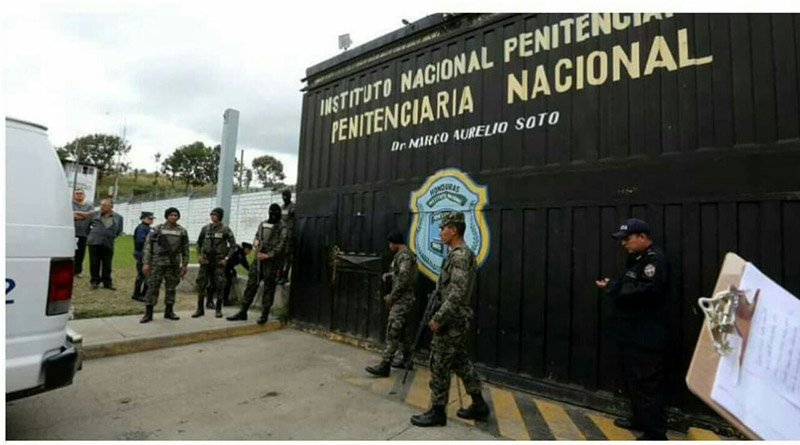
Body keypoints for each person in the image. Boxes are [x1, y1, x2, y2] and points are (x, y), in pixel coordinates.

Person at [410, 211, 489, 427]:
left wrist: (438, 318)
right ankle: (479, 404)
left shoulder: (460, 256)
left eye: (442, 228)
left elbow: (456, 292)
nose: (440, 232)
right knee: (459, 361)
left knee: (439, 363)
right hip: (454, 318)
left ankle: (437, 411)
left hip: (451, 320)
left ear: (453, 230)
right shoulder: (457, 254)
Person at [595, 218, 670, 441]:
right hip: (632, 333)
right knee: (634, 382)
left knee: (647, 384)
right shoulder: (636, 259)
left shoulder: (654, 260)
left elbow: (646, 292)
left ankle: (655, 433)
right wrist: (616, 285)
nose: (623, 244)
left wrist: (612, 287)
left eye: (627, 239)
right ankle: (640, 419)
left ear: (642, 237)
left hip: (647, 335)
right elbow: (631, 285)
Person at [365, 230, 417, 377]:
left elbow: (404, 278)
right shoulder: (403, 255)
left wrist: (392, 296)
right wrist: (390, 274)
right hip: (404, 299)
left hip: (402, 300)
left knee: (393, 331)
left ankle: (385, 365)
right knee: (403, 331)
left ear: (395, 243)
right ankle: (407, 360)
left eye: (390, 243)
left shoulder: (404, 256)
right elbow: (401, 274)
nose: (389, 246)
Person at [227, 204, 288, 324]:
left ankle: (264, 313)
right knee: (251, 285)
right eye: (271, 212)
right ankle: (243, 311)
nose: (272, 215)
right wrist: (255, 241)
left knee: (268, 288)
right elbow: (257, 235)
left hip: (272, 262)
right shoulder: (263, 224)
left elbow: (282, 244)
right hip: (258, 260)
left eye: (275, 213)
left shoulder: (283, 227)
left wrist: (268, 255)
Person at [140, 207, 190, 323]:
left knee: (171, 288)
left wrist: (184, 265)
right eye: (171, 215)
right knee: (153, 287)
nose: (173, 217)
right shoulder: (157, 229)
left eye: (176, 215)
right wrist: (146, 263)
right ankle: (148, 313)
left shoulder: (182, 231)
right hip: (157, 263)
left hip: (173, 264)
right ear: (166, 216)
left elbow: (185, 249)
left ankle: (169, 311)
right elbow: (148, 247)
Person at [194, 208, 237, 318]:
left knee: (220, 285)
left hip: (218, 260)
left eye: (215, 215)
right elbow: (198, 242)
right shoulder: (205, 228)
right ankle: (200, 309)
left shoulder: (225, 229)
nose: (212, 216)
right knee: (201, 283)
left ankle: (218, 309)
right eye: (211, 214)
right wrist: (199, 255)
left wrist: (226, 258)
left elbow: (233, 246)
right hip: (206, 260)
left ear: (220, 216)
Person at [86, 198, 123, 290]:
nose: (102, 207)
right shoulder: (94, 215)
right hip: (94, 242)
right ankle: (95, 281)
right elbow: (87, 226)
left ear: (111, 206)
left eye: (105, 205)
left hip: (108, 243)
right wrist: (92, 235)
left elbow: (119, 231)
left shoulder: (118, 217)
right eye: (101, 205)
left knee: (107, 264)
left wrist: (110, 236)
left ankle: (107, 282)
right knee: (94, 263)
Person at [132, 211, 156, 302]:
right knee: (142, 274)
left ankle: (144, 293)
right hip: (142, 253)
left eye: (151, 219)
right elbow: (140, 241)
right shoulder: (142, 228)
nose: (151, 220)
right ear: (143, 218)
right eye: (149, 218)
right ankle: (137, 294)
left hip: (146, 253)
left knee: (147, 274)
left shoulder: (148, 228)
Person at [71, 189, 94, 277]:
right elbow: (71, 215)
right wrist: (86, 214)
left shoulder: (89, 205)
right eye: (77, 194)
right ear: (73, 195)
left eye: (81, 193)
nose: (79, 195)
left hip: (83, 234)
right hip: (71, 234)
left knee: (81, 253)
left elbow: (92, 215)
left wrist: (77, 213)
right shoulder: (70, 205)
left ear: (84, 195)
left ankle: (78, 271)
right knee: (71, 252)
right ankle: (71, 270)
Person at [222, 242, 252, 306]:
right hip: (224, 267)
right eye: (249, 250)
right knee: (227, 282)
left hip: (227, 267)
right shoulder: (238, 252)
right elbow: (230, 260)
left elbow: (245, 264)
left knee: (228, 282)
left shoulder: (240, 253)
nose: (249, 253)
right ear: (246, 249)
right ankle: (225, 300)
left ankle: (224, 299)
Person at [277, 189, 295, 285]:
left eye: (286, 196)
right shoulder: (281, 207)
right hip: (282, 236)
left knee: (287, 257)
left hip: (289, 236)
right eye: (283, 196)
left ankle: (285, 276)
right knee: (280, 256)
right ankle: (279, 276)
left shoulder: (293, 207)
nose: (284, 198)